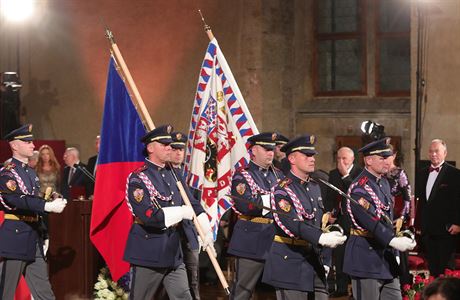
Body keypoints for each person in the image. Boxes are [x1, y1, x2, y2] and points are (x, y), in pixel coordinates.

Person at [123, 125, 215, 300]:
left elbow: (193, 204)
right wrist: (181, 212)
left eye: (170, 144)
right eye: (164, 144)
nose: (169, 148)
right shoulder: (138, 178)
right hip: (149, 251)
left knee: (183, 296)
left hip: (173, 252)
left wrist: (206, 230)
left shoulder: (174, 174)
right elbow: (150, 217)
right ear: (150, 148)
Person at [262, 135, 347, 299]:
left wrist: (327, 260)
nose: (312, 159)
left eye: (313, 155)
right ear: (292, 158)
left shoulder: (315, 186)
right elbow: (292, 223)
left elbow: (321, 224)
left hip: (315, 262)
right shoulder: (282, 190)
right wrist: (321, 238)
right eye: (306, 155)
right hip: (290, 263)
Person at [0, 124, 67, 300]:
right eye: (27, 142)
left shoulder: (30, 172)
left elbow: (34, 197)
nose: (33, 146)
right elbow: (16, 199)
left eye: (32, 142)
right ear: (14, 145)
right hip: (15, 236)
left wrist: (50, 201)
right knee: (6, 292)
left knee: (44, 292)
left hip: (33, 235)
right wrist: (46, 206)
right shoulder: (7, 173)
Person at [344, 137, 416, 299]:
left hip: (386, 257)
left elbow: (387, 218)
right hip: (366, 257)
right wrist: (393, 240)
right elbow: (370, 222)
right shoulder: (359, 188)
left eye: (388, 157)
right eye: (382, 158)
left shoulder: (383, 183)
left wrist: (400, 235)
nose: (387, 161)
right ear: (368, 160)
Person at [227, 132, 284, 300]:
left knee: (284, 289)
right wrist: (276, 201)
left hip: (277, 239)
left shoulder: (279, 175)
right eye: (266, 149)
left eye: (272, 149)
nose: (270, 153)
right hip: (251, 239)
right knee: (243, 290)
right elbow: (246, 205)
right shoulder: (242, 175)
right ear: (253, 150)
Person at [415, 139, 460, 277]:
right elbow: (421, 201)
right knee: (433, 269)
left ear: (445, 153)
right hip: (428, 231)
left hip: (447, 230)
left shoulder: (455, 174)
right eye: (431, 151)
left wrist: (458, 223)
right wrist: (418, 224)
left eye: (437, 151)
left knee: (446, 270)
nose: (433, 154)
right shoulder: (422, 173)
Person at [325, 146, 362, 297]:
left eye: (344, 159)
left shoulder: (360, 173)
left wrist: (345, 175)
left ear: (352, 159)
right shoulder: (333, 174)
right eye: (338, 158)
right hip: (339, 221)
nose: (341, 162)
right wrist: (328, 213)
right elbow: (329, 197)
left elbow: (356, 194)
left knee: (355, 257)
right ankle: (340, 288)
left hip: (355, 223)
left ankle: (355, 290)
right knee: (338, 257)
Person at [169, 131, 201, 300]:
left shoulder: (192, 175)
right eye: (174, 149)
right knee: (174, 280)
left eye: (181, 149)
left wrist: (203, 227)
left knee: (193, 279)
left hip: (189, 232)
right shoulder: (165, 172)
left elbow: (197, 203)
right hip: (172, 233)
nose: (179, 153)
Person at [385, 145, 414, 285]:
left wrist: (402, 218)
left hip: (397, 220)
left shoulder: (400, 173)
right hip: (381, 219)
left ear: (394, 155)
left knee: (400, 258)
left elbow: (408, 199)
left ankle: (402, 287)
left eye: (389, 154)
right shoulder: (378, 172)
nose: (386, 158)